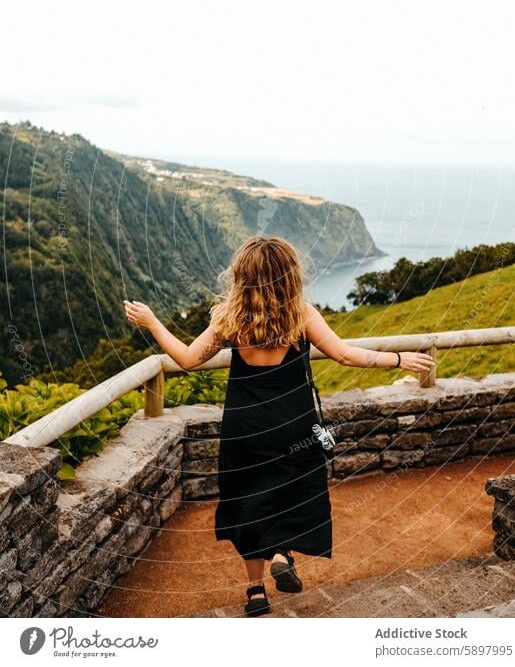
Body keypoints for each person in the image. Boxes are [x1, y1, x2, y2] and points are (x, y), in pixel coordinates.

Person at [124, 235, 435, 616]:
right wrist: (400, 359)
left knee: (248, 501)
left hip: (244, 428)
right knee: (288, 495)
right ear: (290, 275)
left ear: (242, 277)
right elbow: (346, 355)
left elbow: (188, 359)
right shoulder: (300, 314)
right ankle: (278, 552)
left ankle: (255, 591)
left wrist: (153, 321)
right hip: (293, 426)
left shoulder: (229, 318)